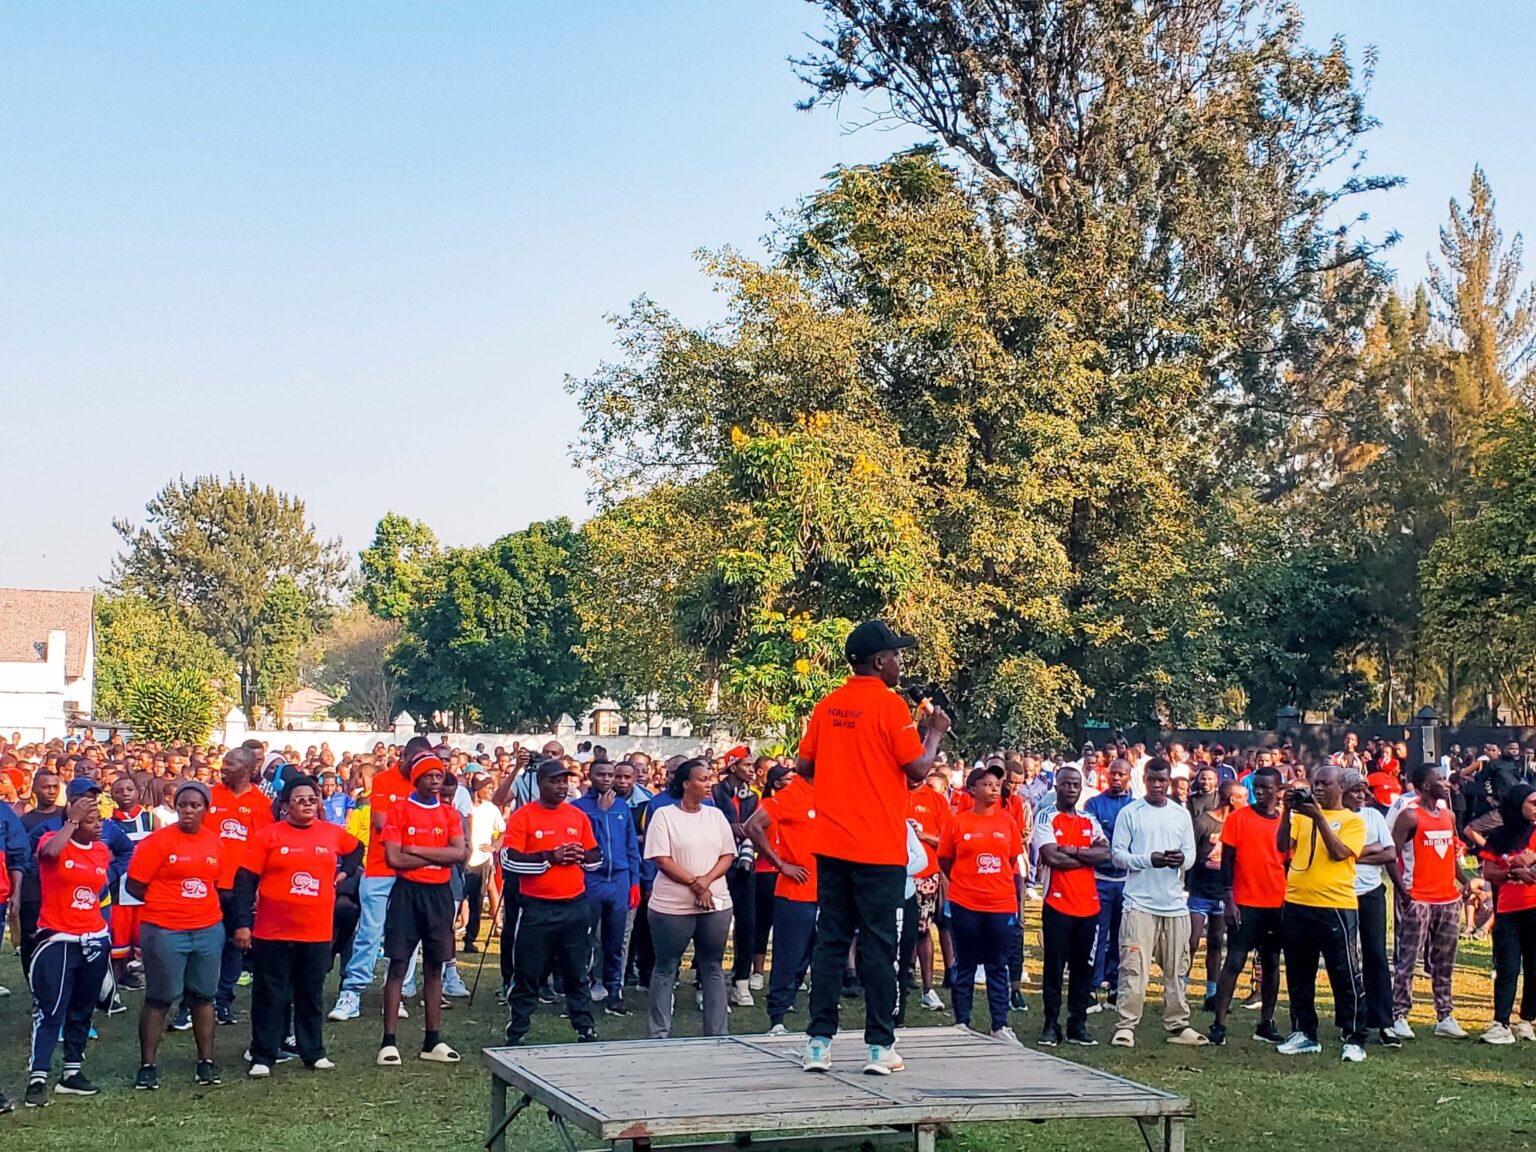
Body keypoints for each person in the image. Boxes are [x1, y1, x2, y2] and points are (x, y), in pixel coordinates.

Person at [796, 620, 949, 1077]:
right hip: (878, 848)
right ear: (879, 661)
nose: (900, 663)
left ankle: (819, 1044)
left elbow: (804, 765)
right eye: (896, 656)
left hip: (831, 843)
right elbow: (918, 769)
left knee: (830, 942)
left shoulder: (828, 704)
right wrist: (935, 732)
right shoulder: (890, 704)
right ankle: (880, 1048)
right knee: (880, 947)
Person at [232, 774, 362, 1076]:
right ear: (286, 806)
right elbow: (245, 880)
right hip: (272, 931)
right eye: (300, 800)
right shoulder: (268, 836)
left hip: (315, 930)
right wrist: (242, 924)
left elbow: (357, 848)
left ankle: (313, 1052)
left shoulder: (331, 833)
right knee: (270, 993)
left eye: (312, 799)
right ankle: (263, 1055)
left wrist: (346, 873)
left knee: (311, 993)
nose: (307, 804)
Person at [126, 779, 225, 1089]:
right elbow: (134, 885)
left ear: (206, 809)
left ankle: (206, 1062)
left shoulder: (214, 842)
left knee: (204, 995)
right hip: (164, 930)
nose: (188, 811)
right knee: (160, 996)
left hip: (207, 928)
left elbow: (216, 882)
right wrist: (166, 904)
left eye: (195, 805)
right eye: (182, 805)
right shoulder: (157, 842)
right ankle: (147, 1065)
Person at [502, 759, 601, 1046]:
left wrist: (580, 856)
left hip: (574, 907)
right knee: (527, 973)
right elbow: (508, 859)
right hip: (537, 908)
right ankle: (517, 1030)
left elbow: (596, 858)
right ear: (540, 783)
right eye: (554, 781)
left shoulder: (577, 816)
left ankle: (585, 1027)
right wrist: (550, 857)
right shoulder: (524, 816)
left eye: (564, 781)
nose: (561, 787)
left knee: (577, 972)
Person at [376, 755, 467, 1067]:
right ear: (416, 779)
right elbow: (394, 859)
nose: (435, 781)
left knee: (434, 965)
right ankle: (389, 1042)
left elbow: (458, 853)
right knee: (399, 964)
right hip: (407, 893)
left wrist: (415, 849)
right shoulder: (400, 810)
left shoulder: (449, 813)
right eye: (429, 776)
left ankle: (432, 1040)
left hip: (439, 895)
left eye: (439, 775)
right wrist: (437, 856)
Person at [1109, 758, 1206, 1048]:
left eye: (1162, 780)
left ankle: (1178, 1024)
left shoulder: (1180, 814)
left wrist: (1180, 860)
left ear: (1169, 782)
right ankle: (1126, 1025)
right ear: (1144, 779)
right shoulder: (1131, 812)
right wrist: (1148, 859)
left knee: (1178, 967)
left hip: (1174, 903)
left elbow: (1191, 855)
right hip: (1138, 902)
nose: (1157, 785)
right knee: (1134, 967)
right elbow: (1117, 855)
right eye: (1152, 780)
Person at [1275, 764, 1368, 1061]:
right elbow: (1281, 846)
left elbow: (1339, 853)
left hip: (1335, 905)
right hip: (1297, 902)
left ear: (1341, 788)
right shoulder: (1302, 817)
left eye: (1326, 784)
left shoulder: (1353, 821)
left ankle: (1354, 1036)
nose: (1318, 788)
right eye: (1316, 783)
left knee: (1344, 973)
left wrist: (1318, 818)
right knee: (1299, 973)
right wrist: (1286, 812)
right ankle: (1304, 1032)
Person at [25, 791, 111, 1107]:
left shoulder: (101, 851)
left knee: (83, 1008)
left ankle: (72, 1072)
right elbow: (48, 855)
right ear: (72, 822)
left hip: (93, 937)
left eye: (99, 819)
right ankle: (38, 1077)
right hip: (59, 939)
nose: (98, 825)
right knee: (50, 1010)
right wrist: (72, 821)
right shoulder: (52, 840)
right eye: (90, 821)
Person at [642, 758, 738, 1039]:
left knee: (712, 966)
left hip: (715, 902)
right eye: (702, 779)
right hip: (672, 906)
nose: (709, 784)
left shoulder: (716, 816)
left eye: (709, 779)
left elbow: (727, 854)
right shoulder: (664, 815)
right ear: (686, 784)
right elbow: (661, 858)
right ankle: (659, 1033)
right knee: (666, 967)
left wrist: (705, 883)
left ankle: (717, 1034)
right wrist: (695, 885)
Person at [329, 737, 423, 1023]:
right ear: (404, 756)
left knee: (406, 934)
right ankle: (352, 992)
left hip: (411, 871)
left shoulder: (425, 783)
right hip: (381, 869)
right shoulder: (384, 780)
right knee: (369, 932)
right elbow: (382, 823)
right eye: (415, 760)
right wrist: (417, 832)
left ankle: (396, 992)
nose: (419, 767)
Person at [1390, 763, 1476, 1040]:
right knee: (1408, 959)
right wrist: (1403, 892)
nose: (1446, 783)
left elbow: (1449, 855)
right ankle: (1399, 1015)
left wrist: (1464, 882)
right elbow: (1391, 855)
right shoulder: (1410, 816)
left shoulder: (1448, 815)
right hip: (1418, 898)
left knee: (1444, 961)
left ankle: (1445, 1016)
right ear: (1426, 785)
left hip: (1447, 898)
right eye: (1440, 779)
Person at [939, 763, 1023, 1042]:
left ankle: (999, 1024)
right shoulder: (957, 823)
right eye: (987, 784)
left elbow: (1011, 860)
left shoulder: (1007, 822)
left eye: (997, 784)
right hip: (965, 902)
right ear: (972, 790)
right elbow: (945, 861)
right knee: (965, 963)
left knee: (997, 964)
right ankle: (962, 1021)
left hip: (1000, 904)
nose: (994, 789)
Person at [1031, 764, 1109, 1047]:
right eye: (1066, 784)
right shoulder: (1046, 817)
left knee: (1083, 969)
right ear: (1057, 786)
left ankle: (1078, 1024)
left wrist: (1074, 851)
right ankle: (1051, 1024)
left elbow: (1105, 853)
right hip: (1058, 903)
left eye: (1076, 785)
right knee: (1054, 969)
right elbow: (1052, 857)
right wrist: (1086, 857)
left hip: (1089, 906)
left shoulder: (1089, 819)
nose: (1072, 789)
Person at [1207, 766, 1286, 1045]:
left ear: (1279, 790)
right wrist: (1229, 899)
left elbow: (1289, 862)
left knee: (1271, 962)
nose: (1260, 792)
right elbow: (1227, 861)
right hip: (1245, 902)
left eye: (1267, 788)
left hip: (1276, 903)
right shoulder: (1239, 818)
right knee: (1235, 961)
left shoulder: (1285, 822)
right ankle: (1219, 1022)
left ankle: (1266, 1022)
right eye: (1257, 787)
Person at [747, 764, 819, 1035]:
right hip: (795, 890)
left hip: (826, 891)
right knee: (789, 954)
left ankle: (814, 1015)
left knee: (815, 955)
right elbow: (752, 826)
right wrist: (781, 864)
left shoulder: (830, 791)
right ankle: (777, 1017)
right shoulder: (792, 794)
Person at [204, 746, 273, 1026]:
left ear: (247, 769)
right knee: (204, 944)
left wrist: (258, 886)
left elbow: (264, 848)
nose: (223, 767)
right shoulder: (210, 796)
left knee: (234, 944)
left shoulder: (261, 803)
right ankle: (194, 1002)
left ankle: (223, 1001)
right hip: (207, 882)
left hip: (240, 887)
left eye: (230, 763)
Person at [1341, 768, 1404, 1048]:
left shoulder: (1373, 816)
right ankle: (1351, 1020)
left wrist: (1351, 854)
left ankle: (1384, 1022)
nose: (1362, 795)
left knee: (1376, 955)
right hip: (1340, 893)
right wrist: (1369, 849)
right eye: (1355, 790)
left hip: (1371, 892)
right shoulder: (1333, 817)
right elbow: (1333, 854)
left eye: (1364, 790)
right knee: (1345, 959)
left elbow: (1389, 853)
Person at [574, 759, 641, 1015]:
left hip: (619, 880)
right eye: (600, 774)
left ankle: (614, 991)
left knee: (615, 941)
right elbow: (587, 844)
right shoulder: (579, 808)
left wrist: (634, 882)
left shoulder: (622, 806)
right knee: (586, 940)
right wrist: (600, 814)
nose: (606, 779)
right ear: (590, 776)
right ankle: (581, 990)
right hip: (592, 879)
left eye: (610, 775)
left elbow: (631, 846)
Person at [1478, 783, 1536, 1044]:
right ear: (1517, 804)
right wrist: (1513, 872)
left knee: (1534, 967)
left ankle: (1526, 1021)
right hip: (1507, 910)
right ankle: (1500, 1023)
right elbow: (1489, 872)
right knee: (1508, 967)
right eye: (1532, 803)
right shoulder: (1499, 836)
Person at [1084, 757, 1134, 1013]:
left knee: (1122, 935)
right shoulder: (1094, 804)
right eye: (1113, 774)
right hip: (1100, 879)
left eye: (1121, 774)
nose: (1116, 778)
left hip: (1127, 881)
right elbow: (1094, 840)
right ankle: (1092, 988)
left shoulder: (1136, 807)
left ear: (1129, 777)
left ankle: (1116, 988)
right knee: (1097, 935)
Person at [1187, 779, 1241, 1010]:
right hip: (1200, 889)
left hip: (1223, 892)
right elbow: (1189, 851)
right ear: (1232, 799)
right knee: (1191, 940)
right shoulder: (1203, 822)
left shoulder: (1238, 823)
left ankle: (1212, 994)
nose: (1247, 801)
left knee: (1216, 941)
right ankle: (1180, 986)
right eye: (1243, 797)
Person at [712, 755, 761, 1007]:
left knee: (746, 923)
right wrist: (728, 827)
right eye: (747, 765)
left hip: (745, 865)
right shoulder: (714, 792)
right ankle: (707, 982)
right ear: (733, 767)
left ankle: (741, 980)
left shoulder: (753, 797)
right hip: (716, 865)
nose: (752, 770)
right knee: (712, 924)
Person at [905, 765, 951, 1012]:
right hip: (892, 873)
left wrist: (923, 836)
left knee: (923, 930)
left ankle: (928, 989)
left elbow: (948, 840)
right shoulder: (891, 792)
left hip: (925, 874)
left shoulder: (935, 800)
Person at [107, 774, 156, 991]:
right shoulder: (108, 824)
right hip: (119, 889)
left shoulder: (151, 819)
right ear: (112, 795)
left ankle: (143, 975)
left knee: (143, 935)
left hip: (146, 887)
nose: (125, 794)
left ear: (138, 792)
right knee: (119, 936)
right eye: (118, 791)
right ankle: (116, 979)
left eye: (129, 789)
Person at [462, 774, 504, 953]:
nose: (491, 791)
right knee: (456, 900)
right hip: (462, 860)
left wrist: (495, 846)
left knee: (477, 902)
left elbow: (502, 831)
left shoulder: (491, 809)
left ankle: (470, 939)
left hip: (483, 861)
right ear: (478, 789)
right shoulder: (465, 806)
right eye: (487, 788)